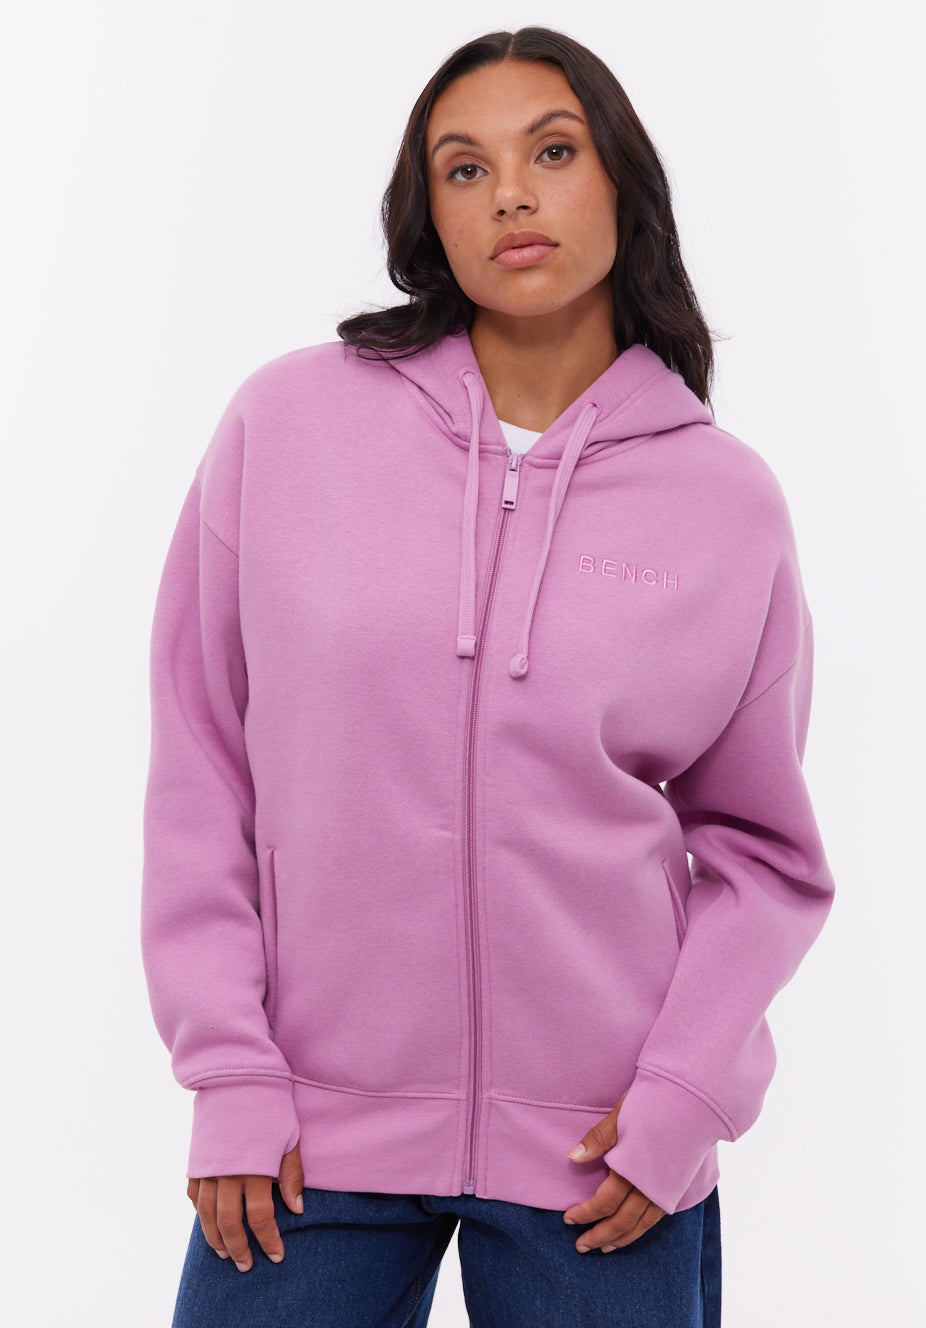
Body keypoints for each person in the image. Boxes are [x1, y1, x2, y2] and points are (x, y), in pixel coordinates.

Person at [141, 26, 835, 1328]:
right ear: (429, 218)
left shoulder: (723, 502)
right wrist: (228, 1066)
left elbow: (763, 854)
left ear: (622, 182)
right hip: (304, 1139)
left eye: (552, 153)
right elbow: (203, 759)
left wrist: (683, 1097)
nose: (511, 193)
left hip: (605, 1155)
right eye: (465, 169)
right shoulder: (286, 428)